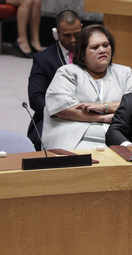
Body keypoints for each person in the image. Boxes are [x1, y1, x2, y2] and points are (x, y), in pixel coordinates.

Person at [42, 24, 132, 150]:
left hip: (117, 136)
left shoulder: (124, 73)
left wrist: (104, 106)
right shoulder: (67, 72)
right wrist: (103, 118)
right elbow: (63, 109)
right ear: (82, 54)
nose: (102, 50)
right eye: (95, 47)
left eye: (106, 45)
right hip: (75, 138)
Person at [27, 10, 82, 150]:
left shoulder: (93, 53)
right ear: (56, 33)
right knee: (40, 142)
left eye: (77, 34)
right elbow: (36, 98)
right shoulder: (43, 59)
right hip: (53, 116)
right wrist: (62, 112)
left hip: (88, 114)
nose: (73, 40)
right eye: (67, 35)